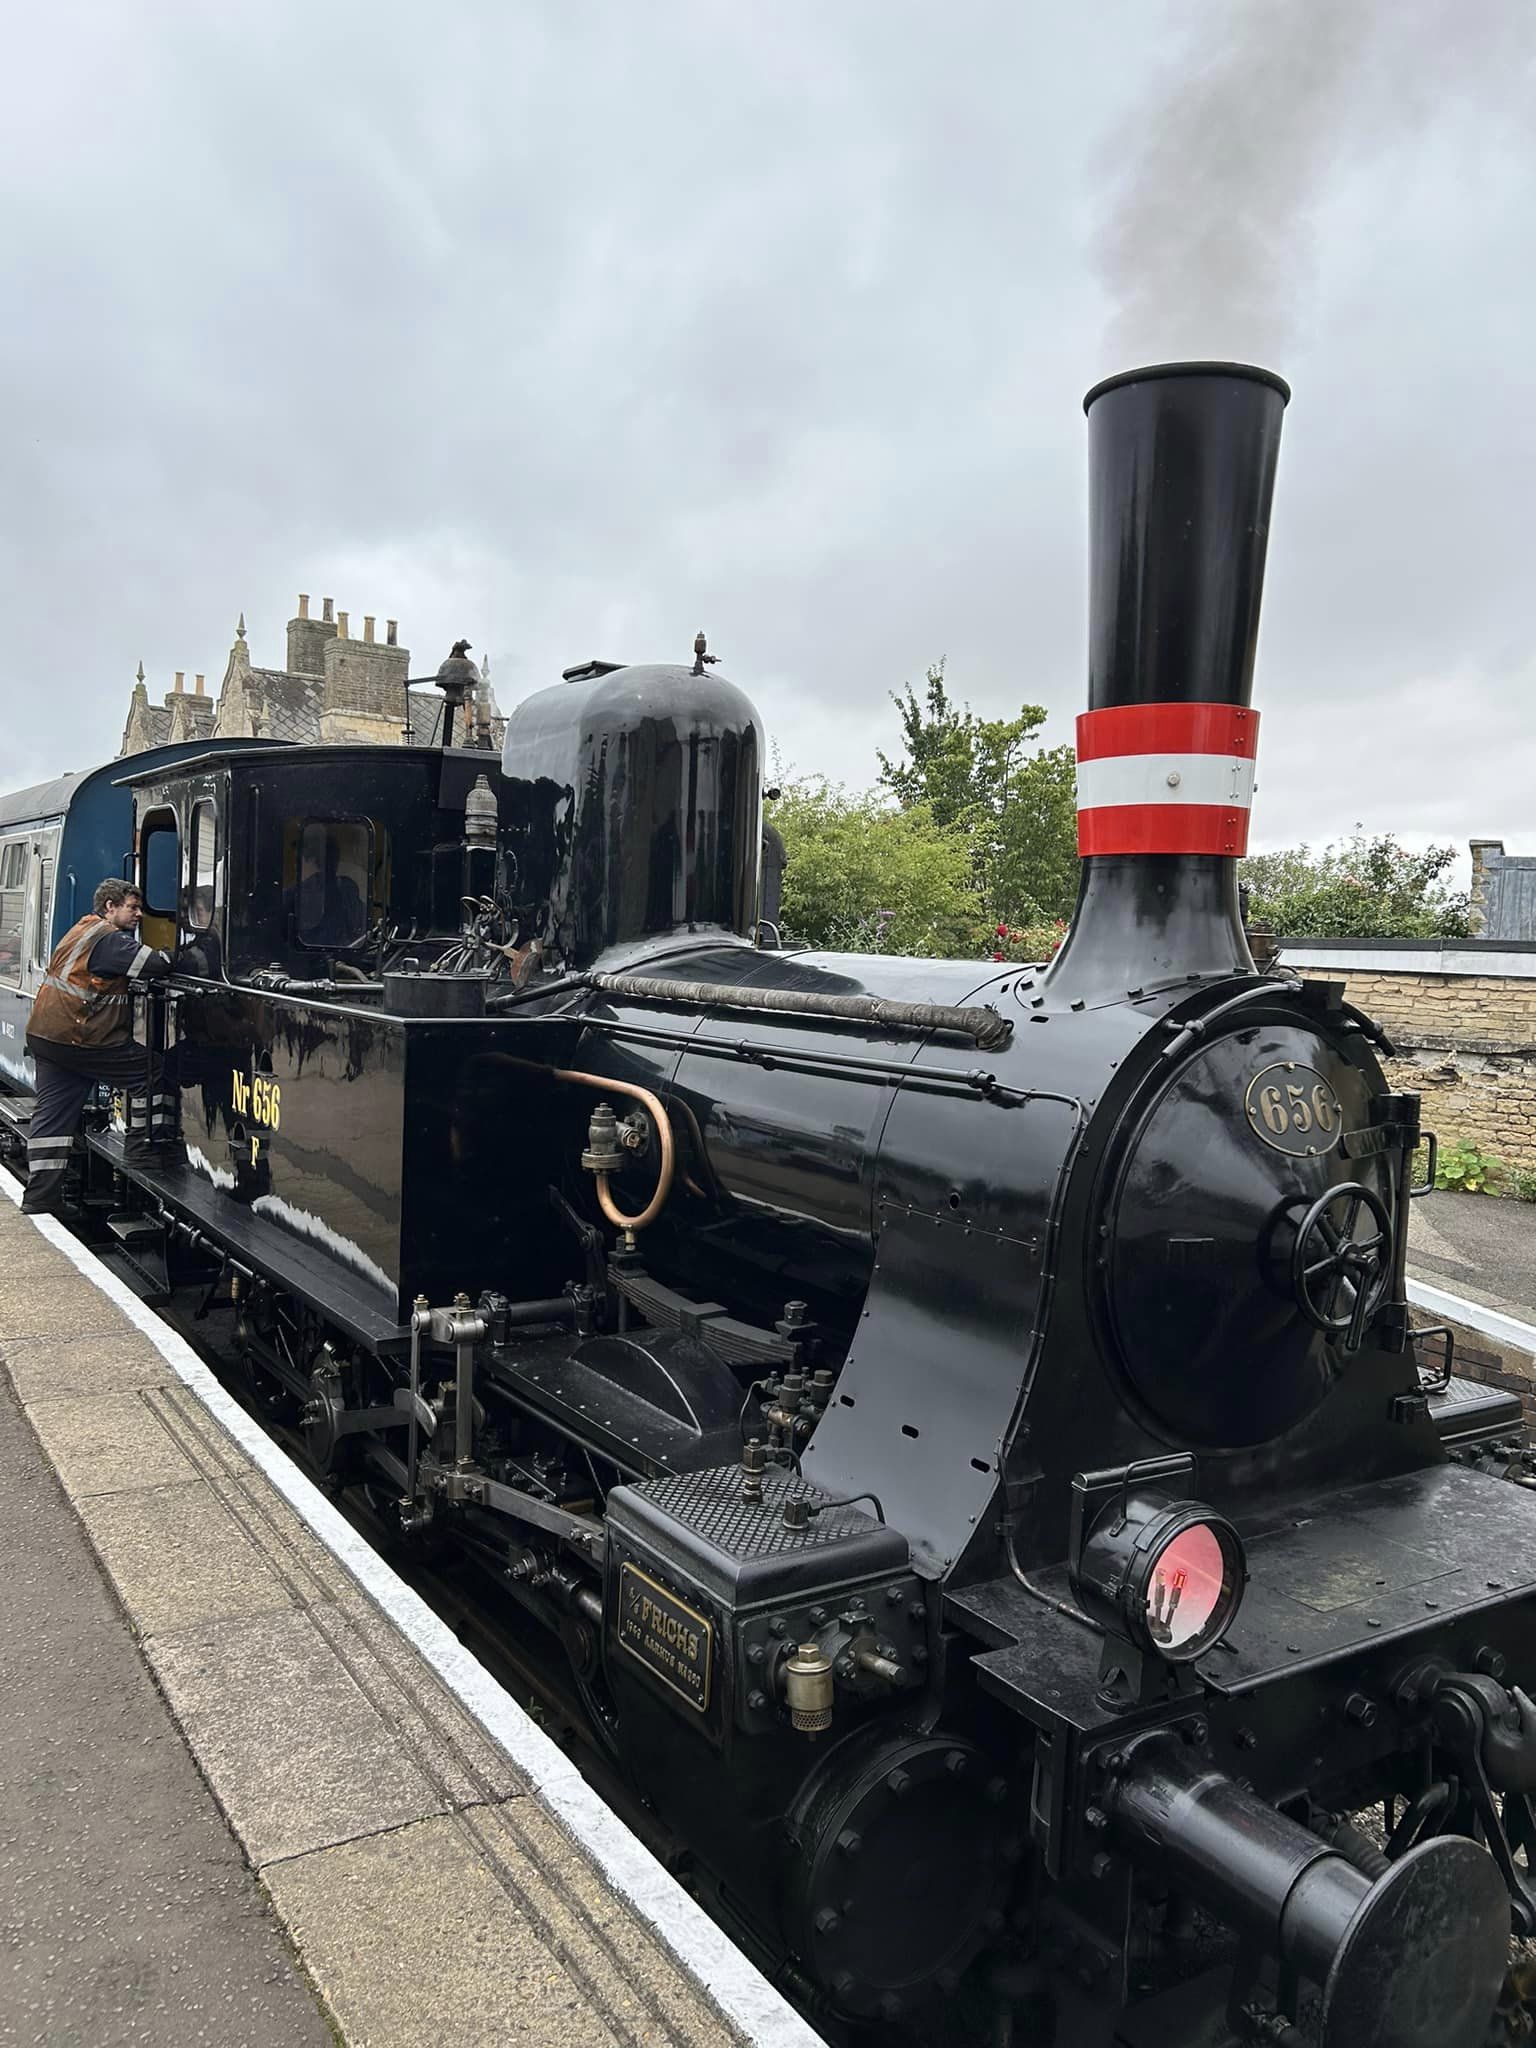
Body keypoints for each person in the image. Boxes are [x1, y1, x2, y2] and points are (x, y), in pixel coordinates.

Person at [22, 878, 172, 1214]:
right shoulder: (109, 939)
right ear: (110, 907)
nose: (139, 915)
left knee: (52, 1120)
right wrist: (176, 954)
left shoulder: (82, 929)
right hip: (80, 1037)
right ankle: (142, 1151)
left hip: (47, 1036)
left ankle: (39, 1200)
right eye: (132, 908)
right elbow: (157, 965)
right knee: (151, 1072)